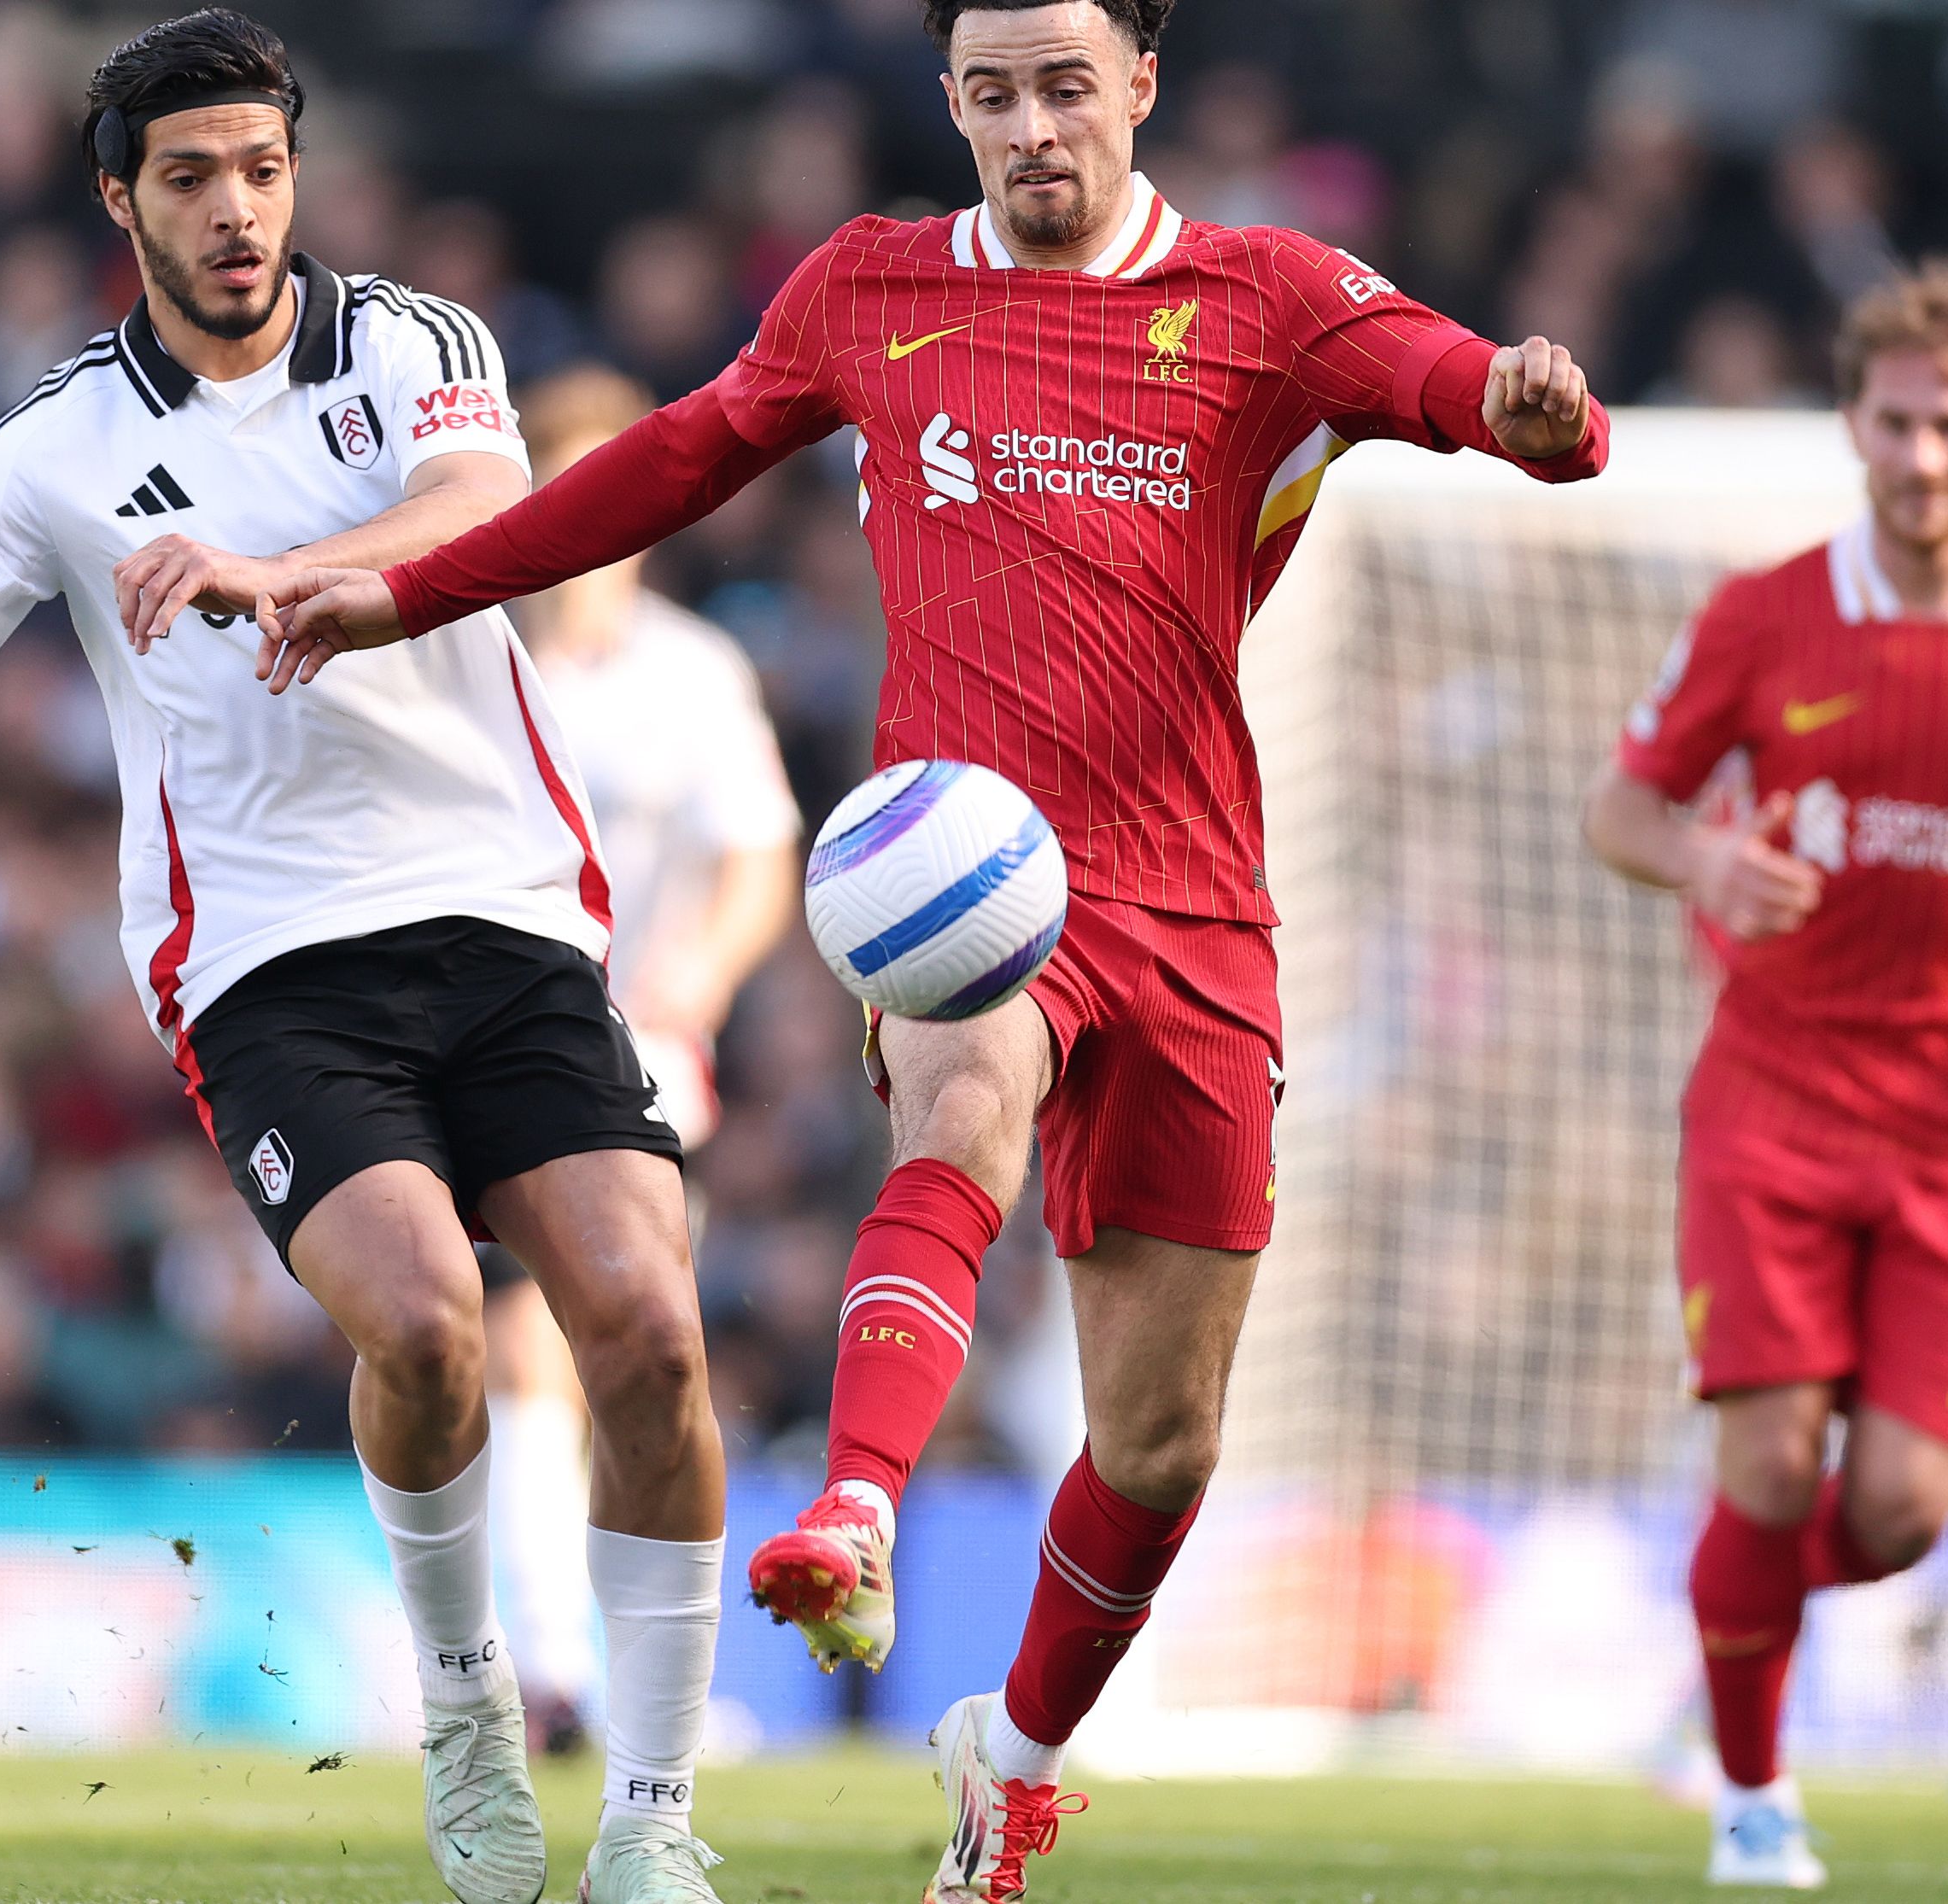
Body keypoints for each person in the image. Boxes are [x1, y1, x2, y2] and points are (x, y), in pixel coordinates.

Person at [249, 2, 1610, 1894]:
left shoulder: (1266, 296)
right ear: (950, 105)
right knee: (960, 1090)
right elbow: (663, 465)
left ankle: (1015, 1749)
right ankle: (860, 1510)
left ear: (1141, 81)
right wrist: (404, 588)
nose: (1031, 128)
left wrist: (1540, 415)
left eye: (1066, 87)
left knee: (1159, 1435)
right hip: (963, 865)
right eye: (990, 95)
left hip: (1193, 896)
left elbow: (1478, 394)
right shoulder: (871, 290)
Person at [0, 15, 732, 1902]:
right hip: (269, 958)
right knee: (428, 1320)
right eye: (188, 176)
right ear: (119, 198)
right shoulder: (54, 445)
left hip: (504, 913)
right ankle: (465, 1705)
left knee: (651, 1328)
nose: (234, 209)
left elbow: (484, 521)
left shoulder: (419, 346)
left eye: (260, 169)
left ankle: (655, 1818)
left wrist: (280, 572)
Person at [1583, 259, 1948, 1889]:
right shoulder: (1763, 613)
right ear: (1853, 426)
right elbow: (1618, 808)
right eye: (1896, 424)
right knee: (1769, 1462)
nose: (1923, 457)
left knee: (1900, 1512)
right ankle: (1756, 1802)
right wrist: (1700, 858)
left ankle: (1725, 1627)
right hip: (1770, 1109)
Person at [477, 365, 804, 1760]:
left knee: (633, 1360)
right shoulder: (465, 663)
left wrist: (709, 971)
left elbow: (757, 860)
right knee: (518, 1343)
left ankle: (614, 1683)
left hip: (645, 1059)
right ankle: (553, 1672)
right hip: (486, 1056)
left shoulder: (694, 675)